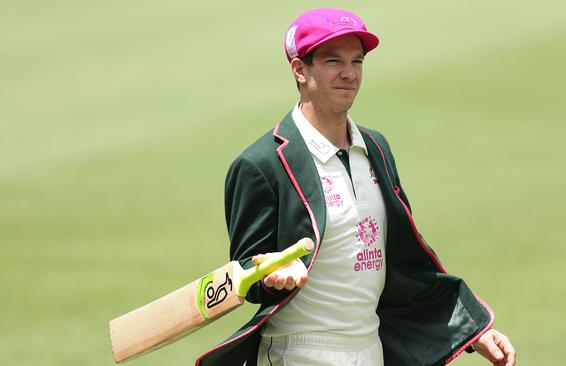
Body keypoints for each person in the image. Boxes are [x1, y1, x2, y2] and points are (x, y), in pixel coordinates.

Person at [195, 8, 516, 366]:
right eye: (333, 61)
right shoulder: (261, 165)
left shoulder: (375, 148)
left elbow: (407, 262)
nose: (349, 73)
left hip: (371, 350)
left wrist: (474, 331)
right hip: (299, 352)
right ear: (300, 69)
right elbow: (243, 271)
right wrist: (269, 274)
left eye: (357, 61)